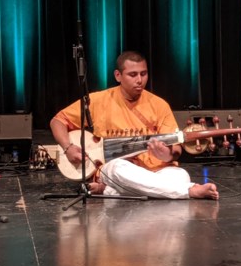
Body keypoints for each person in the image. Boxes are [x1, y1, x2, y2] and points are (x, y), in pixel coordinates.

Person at [50, 51, 219, 200]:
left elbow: (176, 151)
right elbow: (57, 121)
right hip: (116, 169)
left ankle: (109, 192)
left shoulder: (159, 105)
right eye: (133, 75)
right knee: (117, 168)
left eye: (143, 74)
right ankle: (189, 191)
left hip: (154, 170)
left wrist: (166, 156)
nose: (140, 80)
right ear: (118, 75)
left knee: (180, 175)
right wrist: (68, 147)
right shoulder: (97, 101)